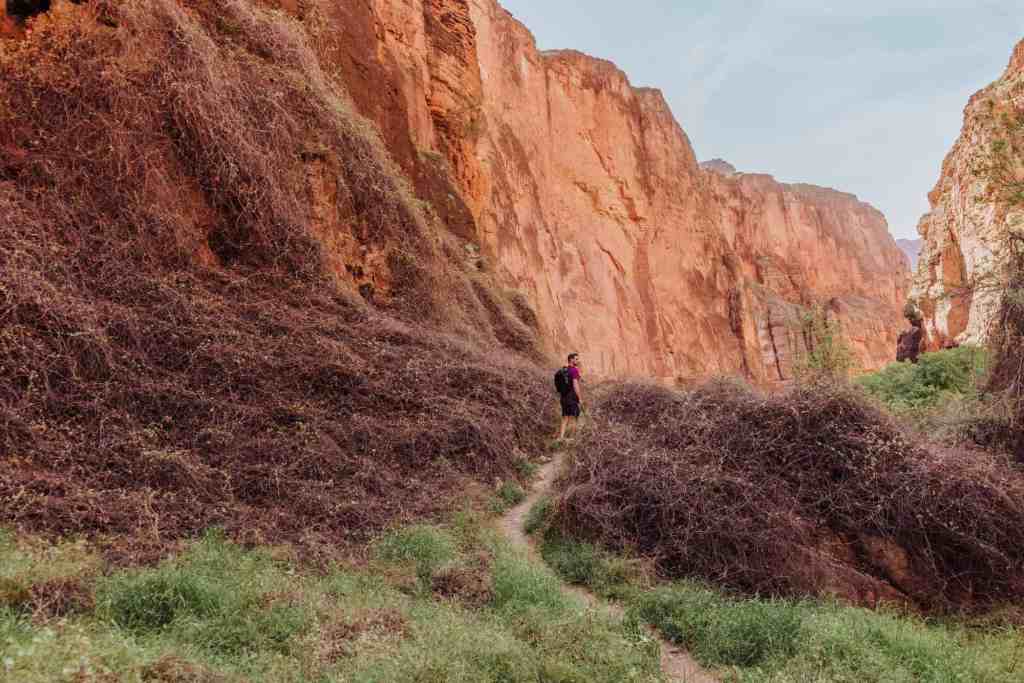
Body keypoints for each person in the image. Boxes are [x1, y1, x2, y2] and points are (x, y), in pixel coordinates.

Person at [556, 353, 583, 441]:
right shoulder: (574, 370)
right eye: (576, 359)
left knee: (564, 417)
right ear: (571, 360)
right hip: (571, 397)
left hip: (563, 397)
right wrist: (579, 398)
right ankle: (572, 438)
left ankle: (561, 437)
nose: (577, 361)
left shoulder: (564, 370)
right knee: (574, 416)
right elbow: (575, 385)